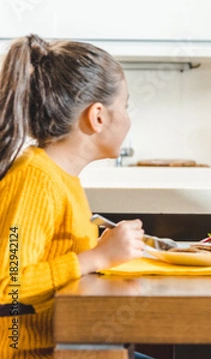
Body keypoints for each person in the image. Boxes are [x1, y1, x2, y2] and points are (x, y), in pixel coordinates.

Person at [0, 35, 147, 359]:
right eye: (124, 105)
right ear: (98, 117)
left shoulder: (62, 178)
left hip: (67, 344)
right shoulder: (35, 179)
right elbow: (7, 289)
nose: (127, 118)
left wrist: (101, 249)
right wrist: (96, 258)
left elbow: (53, 259)